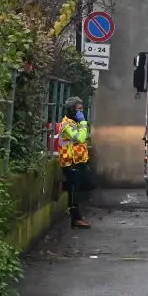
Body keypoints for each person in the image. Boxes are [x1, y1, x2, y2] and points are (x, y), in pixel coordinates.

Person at [57, 96, 93, 229]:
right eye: (79, 109)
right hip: (69, 162)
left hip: (79, 161)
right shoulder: (67, 124)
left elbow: (86, 136)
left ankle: (76, 214)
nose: (81, 112)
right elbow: (81, 137)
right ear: (72, 110)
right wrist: (83, 122)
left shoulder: (75, 122)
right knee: (74, 190)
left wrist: (82, 124)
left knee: (88, 184)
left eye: (82, 109)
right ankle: (76, 218)